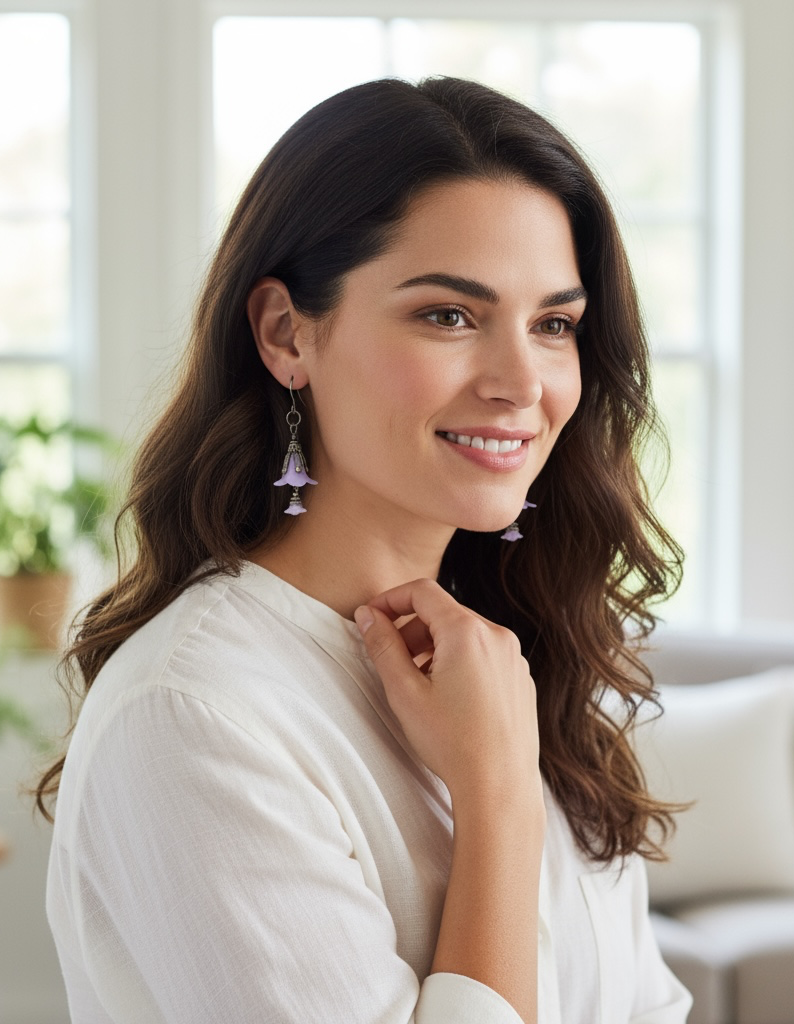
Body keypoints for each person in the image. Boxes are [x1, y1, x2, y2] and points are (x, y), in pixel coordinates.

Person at [38, 76, 691, 1024]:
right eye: (449, 315)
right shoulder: (196, 713)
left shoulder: (511, 660)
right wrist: (497, 796)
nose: (522, 382)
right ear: (284, 333)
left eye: (554, 324)